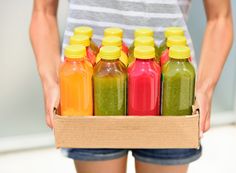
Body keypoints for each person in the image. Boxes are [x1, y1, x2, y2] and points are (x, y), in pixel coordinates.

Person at [29, 0, 233, 173]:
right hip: (88, 96)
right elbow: (43, 11)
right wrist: (51, 83)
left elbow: (220, 17)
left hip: (170, 95)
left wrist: (204, 89)